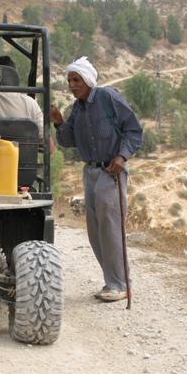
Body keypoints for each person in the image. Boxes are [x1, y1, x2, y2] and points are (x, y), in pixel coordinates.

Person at [50, 56, 142, 302]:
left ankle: (120, 284)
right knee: (95, 231)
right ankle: (111, 281)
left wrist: (122, 158)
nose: (72, 85)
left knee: (111, 229)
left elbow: (133, 129)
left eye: (76, 79)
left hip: (110, 172)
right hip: (90, 172)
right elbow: (69, 142)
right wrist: (59, 122)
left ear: (88, 80)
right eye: (69, 80)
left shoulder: (108, 98)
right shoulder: (76, 109)